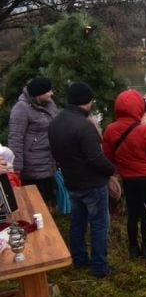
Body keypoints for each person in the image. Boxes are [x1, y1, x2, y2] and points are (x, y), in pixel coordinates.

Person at [48, 82, 115, 278]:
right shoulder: (84, 126)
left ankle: (79, 259)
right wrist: (111, 170)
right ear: (87, 102)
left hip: (71, 181)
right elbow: (96, 158)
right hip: (92, 184)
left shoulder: (56, 123)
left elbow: (55, 153)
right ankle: (100, 267)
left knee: (77, 222)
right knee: (99, 224)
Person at [102, 89, 146, 259]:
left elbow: (108, 157)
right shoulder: (143, 130)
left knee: (132, 213)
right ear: (138, 106)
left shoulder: (110, 129)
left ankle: (133, 248)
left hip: (127, 178)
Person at [8, 76, 59, 206]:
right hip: (32, 167)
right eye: (48, 91)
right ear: (38, 94)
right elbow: (15, 139)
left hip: (48, 162)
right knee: (35, 205)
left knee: (47, 203)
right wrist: (16, 169)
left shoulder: (50, 104)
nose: (51, 94)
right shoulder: (21, 109)